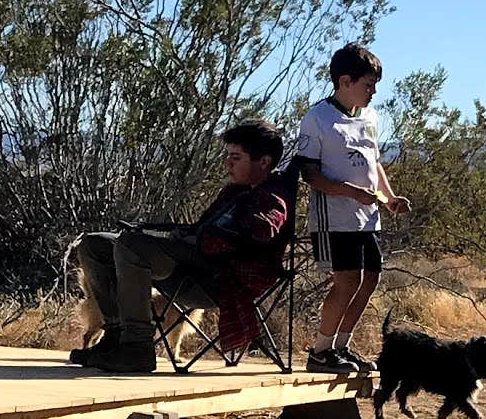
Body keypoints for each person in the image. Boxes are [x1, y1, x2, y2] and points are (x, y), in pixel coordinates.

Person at [68, 121, 295, 374]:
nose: (228, 164)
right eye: (228, 156)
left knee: (132, 245)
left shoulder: (272, 197)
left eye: (236, 157)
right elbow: (200, 229)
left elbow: (262, 229)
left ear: (263, 162)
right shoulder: (235, 192)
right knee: (94, 243)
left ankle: (137, 347)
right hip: (189, 267)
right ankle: (115, 335)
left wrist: (213, 235)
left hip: (218, 280)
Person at [292, 42, 390, 372]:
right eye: (368, 85)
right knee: (346, 280)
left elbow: (374, 162)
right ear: (345, 81)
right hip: (334, 218)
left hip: (367, 218)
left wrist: (388, 198)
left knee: (370, 279)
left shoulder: (370, 117)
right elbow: (310, 174)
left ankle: (342, 346)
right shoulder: (318, 118)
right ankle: (321, 350)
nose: (373, 92)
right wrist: (348, 191)